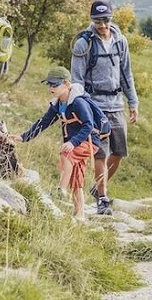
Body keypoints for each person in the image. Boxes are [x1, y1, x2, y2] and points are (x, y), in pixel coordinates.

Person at [71, 0, 139, 216]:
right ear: (92, 20)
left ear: (111, 18)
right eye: (97, 21)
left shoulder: (121, 41)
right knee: (100, 153)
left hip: (116, 103)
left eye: (106, 20)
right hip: (94, 104)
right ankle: (102, 197)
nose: (102, 25)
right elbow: (76, 79)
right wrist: (81, 106)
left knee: (118, 152)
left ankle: (98, 186)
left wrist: (133, 102)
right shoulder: (84, 44)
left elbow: (126, 73)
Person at [9, 66, 100, 221]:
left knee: (66, 154)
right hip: (76, 142)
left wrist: (73, 142)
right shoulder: (58, 104)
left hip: (88, 141)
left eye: (54, 84)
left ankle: (61, 191)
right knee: (76, 178)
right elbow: (44, 122)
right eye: (49, 84)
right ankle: (80, 214)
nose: (51, 87)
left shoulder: (78, 102)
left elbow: (88, 125)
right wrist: (24, 137)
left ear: (66, 84)